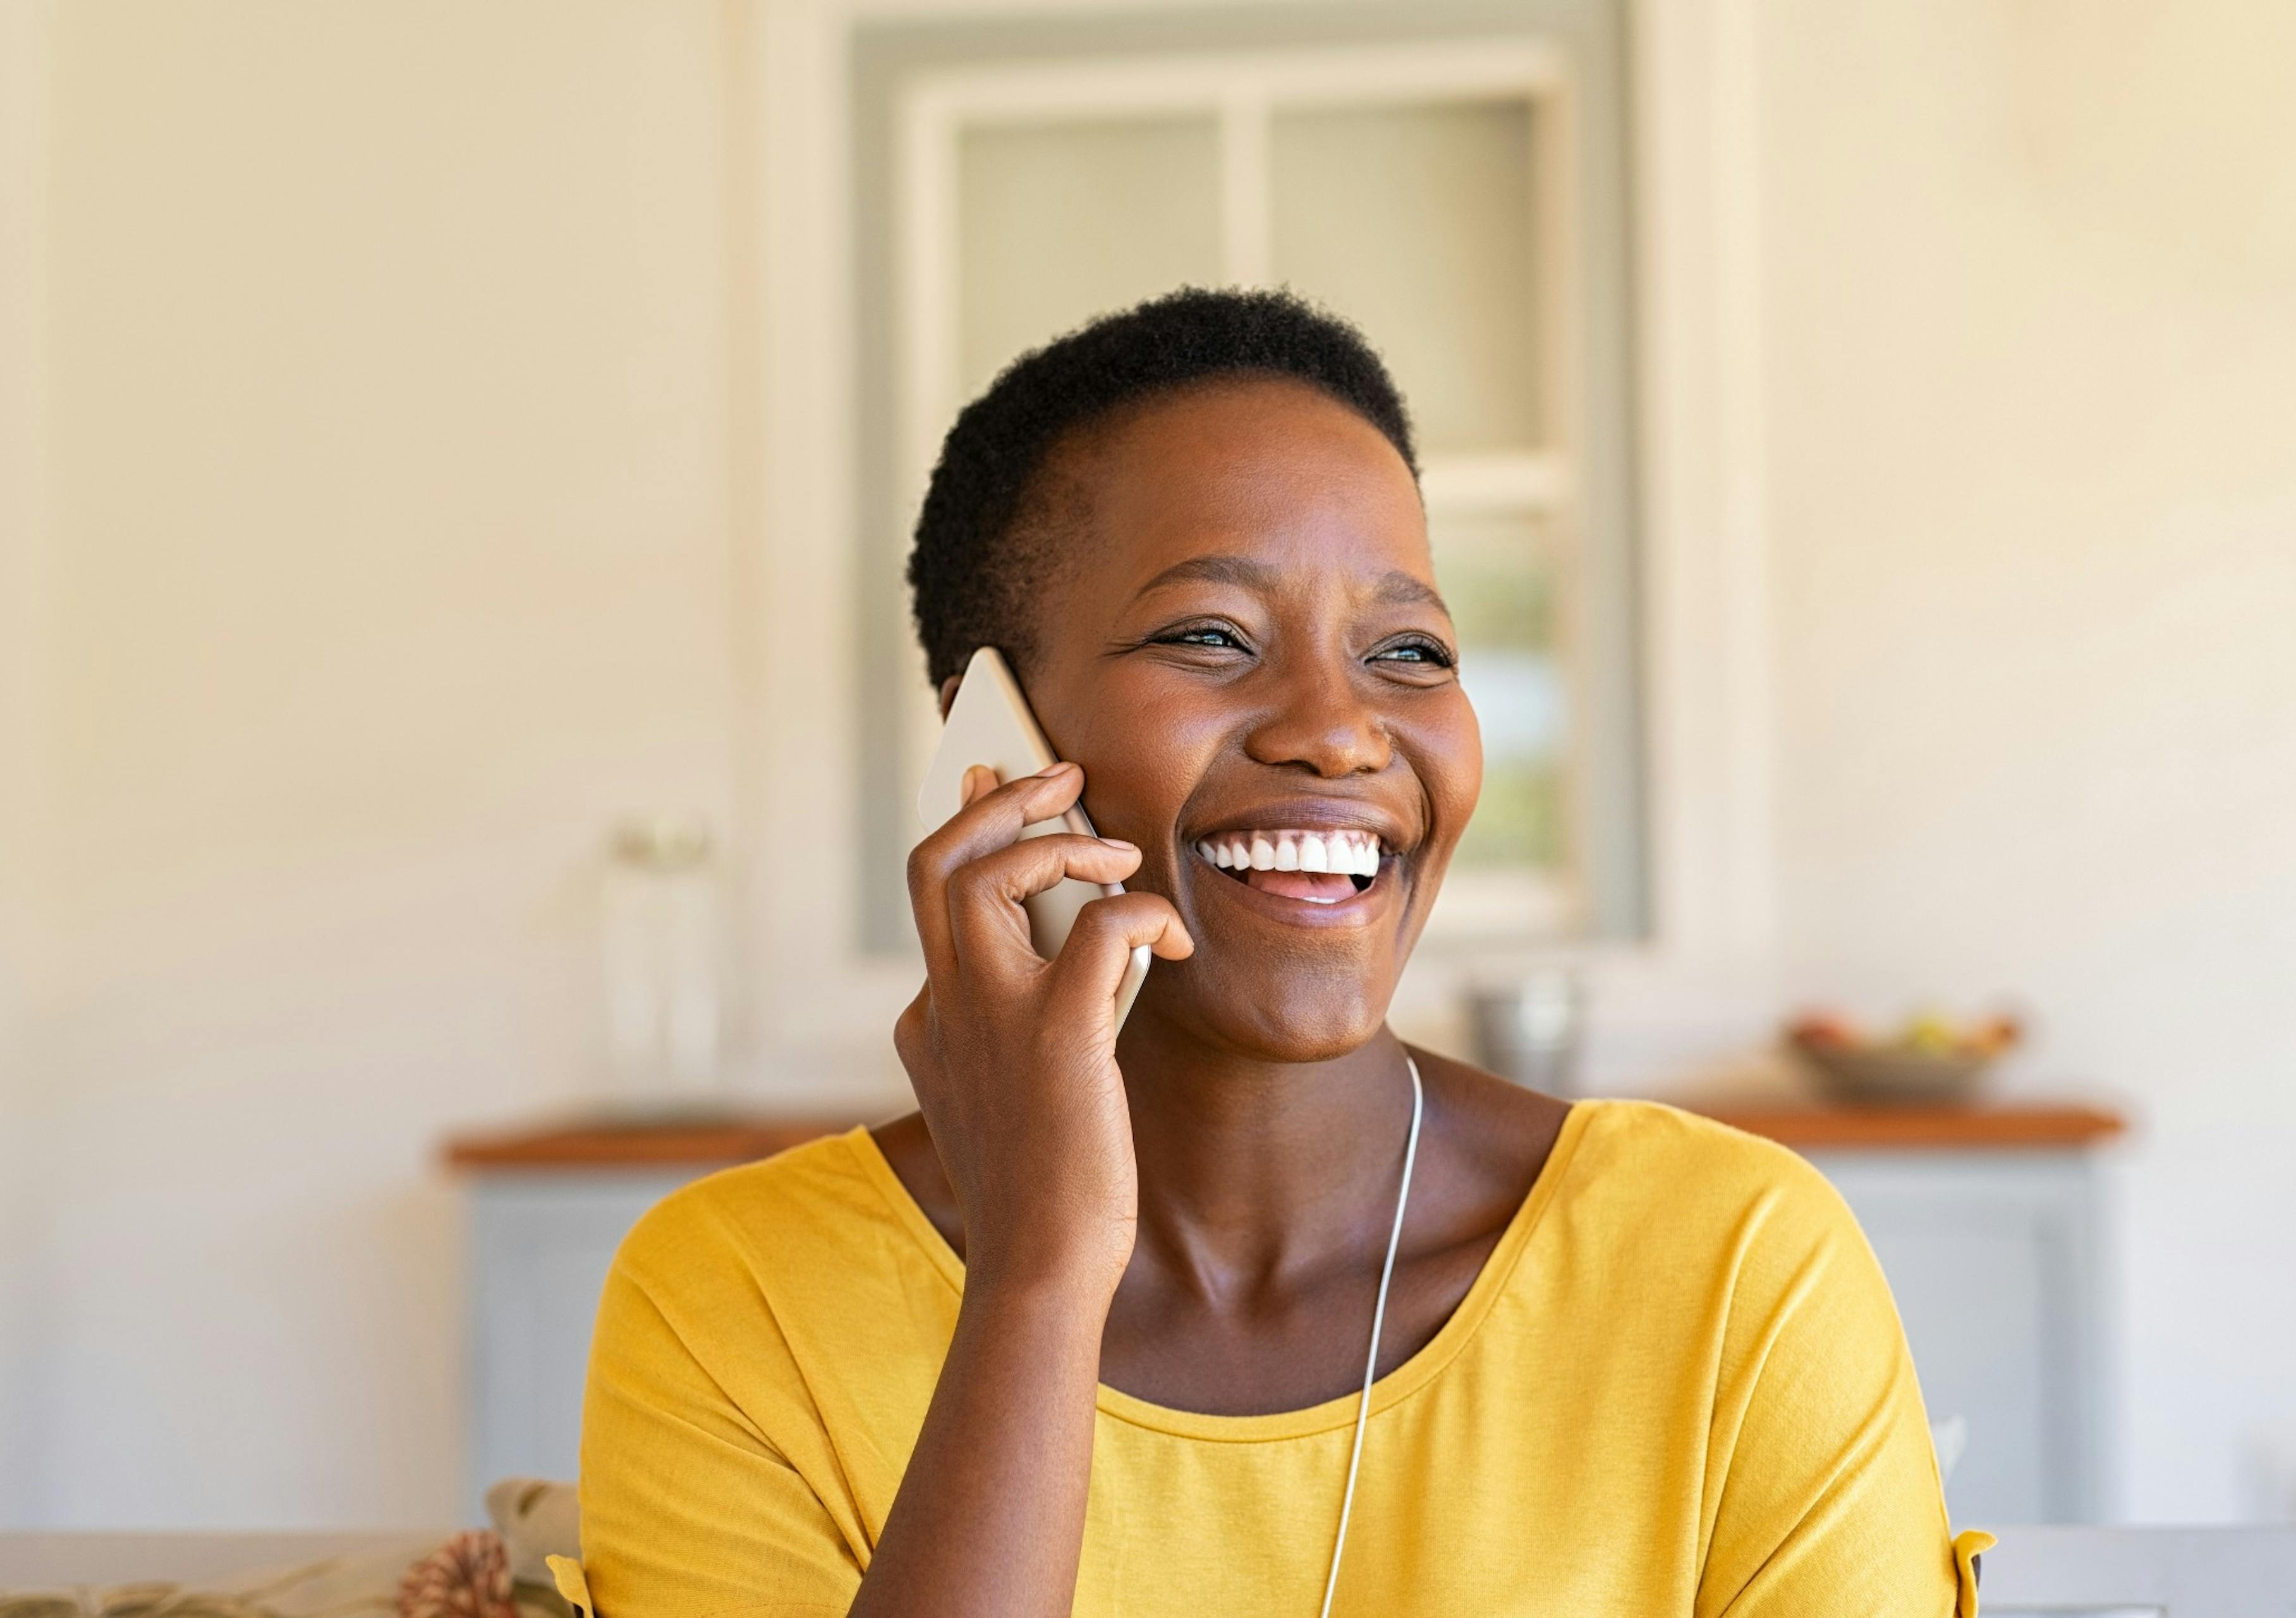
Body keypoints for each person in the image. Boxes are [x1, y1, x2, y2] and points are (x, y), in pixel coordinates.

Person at [574, 289, 1981, 1615]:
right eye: (1210, 635)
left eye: (1411, 653)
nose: (1342, 729)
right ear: (993, 738)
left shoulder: (1732, 1264)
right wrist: (1040, 1273)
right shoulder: (731, 1299)